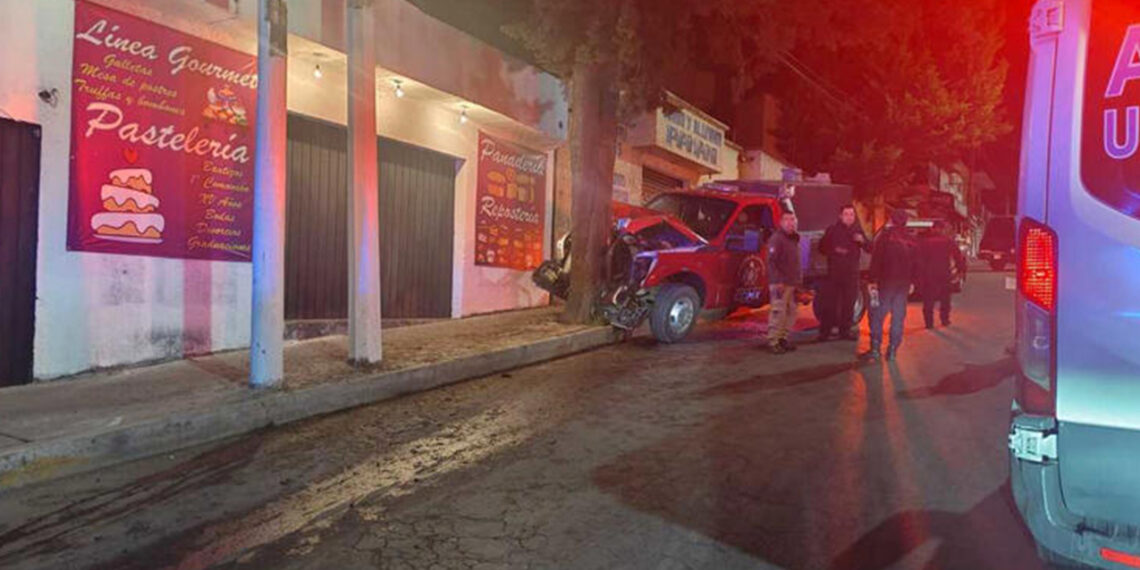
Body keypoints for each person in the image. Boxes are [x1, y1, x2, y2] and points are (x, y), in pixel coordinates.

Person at [863, 209, 918, 362]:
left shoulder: (885, 237)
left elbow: (876, 260)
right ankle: (893, 350)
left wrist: (872, 280)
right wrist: (912, 281)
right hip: (903, 284)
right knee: (898, 317)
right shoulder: (911, 239)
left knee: (877, 315)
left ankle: (875, 349)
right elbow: (915, 264)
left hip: (885, 283)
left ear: (891, 220)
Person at [817, 204, 871, 341]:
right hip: (834, 273)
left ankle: (845, 331)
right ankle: (825, 332)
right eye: (846, 214)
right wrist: (835, 250)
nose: (849, 217)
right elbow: (822, 248)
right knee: (830, 304)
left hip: (851, 273)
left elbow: (870, 248)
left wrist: (862, 241)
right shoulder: (832, 230)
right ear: (840, 216)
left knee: (849, 303)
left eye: (852, 215)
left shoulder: (857, 231)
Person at [918, 220, 967, 328]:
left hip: (929, 274)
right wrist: (961, 271)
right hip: (944, 273)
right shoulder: (948, 241)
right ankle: (944, 319)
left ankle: (929, 322)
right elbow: (958, 257)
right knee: (945, 298)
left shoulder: (925, 242)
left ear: (933, 229)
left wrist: (919, 275)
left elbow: (919, 260)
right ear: (942, 229)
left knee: (928, 299)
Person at [767, 211, 803, 354]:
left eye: (793, 219)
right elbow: (771, 262)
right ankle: (773, 341)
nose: (790, 223)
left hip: (792, 283)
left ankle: (783, 338)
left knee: (790, 312)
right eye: (787, 220)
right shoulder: (777, 239)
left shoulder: (793, 239)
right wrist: (777, 281)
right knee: (778, 312)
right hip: (780, 284)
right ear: (781, 222)